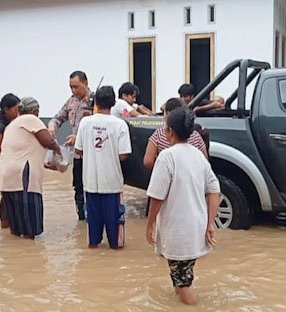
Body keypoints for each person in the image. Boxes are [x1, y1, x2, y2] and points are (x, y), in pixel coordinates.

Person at [145, 106, 221, 305]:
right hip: (195, 228)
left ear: (169, 131)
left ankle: (191, 306)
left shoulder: (167, 157)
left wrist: (150, 224)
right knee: (181, 277)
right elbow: (214, 190)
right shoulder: (198, 156)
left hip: (178, 231)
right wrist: (210, 223)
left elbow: (156, 196)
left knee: (183, 282)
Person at [0, 97, 61, 239]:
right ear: (35, 111)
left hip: (5, 176)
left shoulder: (12, 125)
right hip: (21, 176)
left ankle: (14, 256)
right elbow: (48, 141)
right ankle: (30, 256)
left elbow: (22, 150)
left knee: (16, 228)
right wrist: (60, 151)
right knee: (29, 226)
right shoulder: (31, 119)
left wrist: (44, 164)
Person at [75, 86, 132, 249]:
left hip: (91, 183)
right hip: (112, 184)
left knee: (93, 240)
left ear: (96, 102)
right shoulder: (120, 125)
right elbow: (123, 155)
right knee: (116, 241)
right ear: (113, 103)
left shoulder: (85, 123)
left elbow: (78, 150)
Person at [48, 71, 93, 220]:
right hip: (78, 155)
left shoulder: (95, 102)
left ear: (85, 83)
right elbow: (58, 117)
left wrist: (79, 137)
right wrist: (52, 126)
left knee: (92, 188)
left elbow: (98, 127)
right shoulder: (71, 101)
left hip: (93, 154)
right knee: (78, 187)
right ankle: (81, 219)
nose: (73, 90)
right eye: (71, 87)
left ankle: (93, 217)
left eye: (76, 87)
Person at [143, 98, 207, 170]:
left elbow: (148, 162)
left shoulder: (159, 134)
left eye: (164, 112)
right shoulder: (195, 135)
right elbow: (205, 160)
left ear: (168, 113)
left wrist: (161, 170)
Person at [0, 93, 21, 229]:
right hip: (6, 167)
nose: (18, 113)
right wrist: (12, 159)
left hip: (11, 165)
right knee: (7, 199)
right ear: (6, 110)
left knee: (11, 199)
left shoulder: (12, 124)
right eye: (16, 109)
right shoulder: (1, 126)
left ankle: (9, 227)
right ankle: (4, 226)